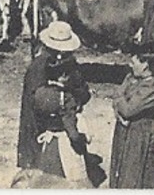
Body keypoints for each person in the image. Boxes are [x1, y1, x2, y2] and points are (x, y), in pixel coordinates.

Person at [16, 21, 95, 184]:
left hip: (59, 122)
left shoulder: (67, 64)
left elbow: (82, 92)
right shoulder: (40, 67)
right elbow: (35, 104)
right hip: (49, 125)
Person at [108, 52, 154, 188]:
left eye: (134, 62)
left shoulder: (152, 87)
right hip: (127, 131)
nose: (129, 65)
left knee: (139, 175)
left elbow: (127, 109)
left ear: (145, 65)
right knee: (122, 171)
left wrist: (119, 101)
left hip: (143, 134)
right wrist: (120, 112)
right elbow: (118, 101)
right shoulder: (131, 78)